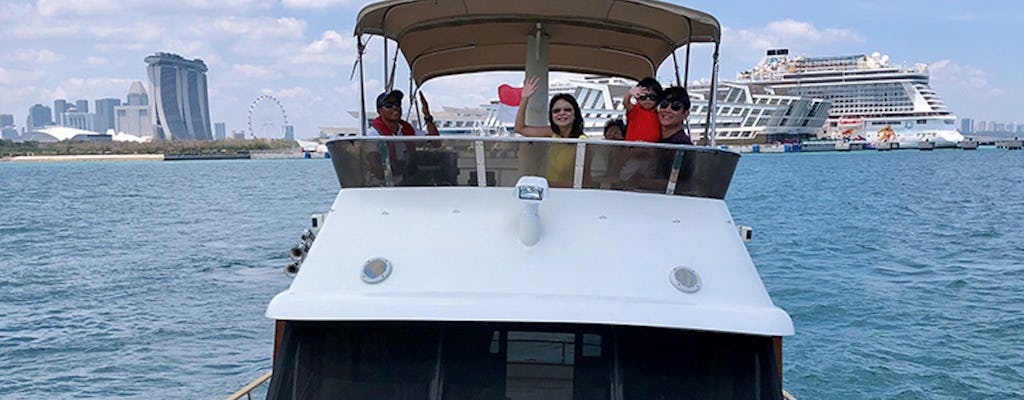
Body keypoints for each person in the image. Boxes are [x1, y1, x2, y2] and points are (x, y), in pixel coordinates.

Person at [514, 75, 588, 187]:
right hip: (550, 189)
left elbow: (586, 177)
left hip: (571, 192)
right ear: (551, 115)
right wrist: (525, 98)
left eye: (567, 110)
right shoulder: (552, 133)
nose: (562, 113)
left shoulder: (584, 141)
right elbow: (520, 128)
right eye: (556, 111)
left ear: (575, 114)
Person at [367, 89, 439, 137]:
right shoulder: (374, 134)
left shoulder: (408, 128)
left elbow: (435, 143)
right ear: (379, 111)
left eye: (397, 103)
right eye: (389, 104)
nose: (395, 107)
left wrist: (427, 115)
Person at [623, 77, 663, 143]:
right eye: (643, 97)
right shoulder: (635, 110)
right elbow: (626, 103)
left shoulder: (659, 114)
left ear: (658, 98)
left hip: (651, 150)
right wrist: (630, 94)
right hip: (632, 149)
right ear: (637, 98)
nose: (647, 100)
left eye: (652, 97)